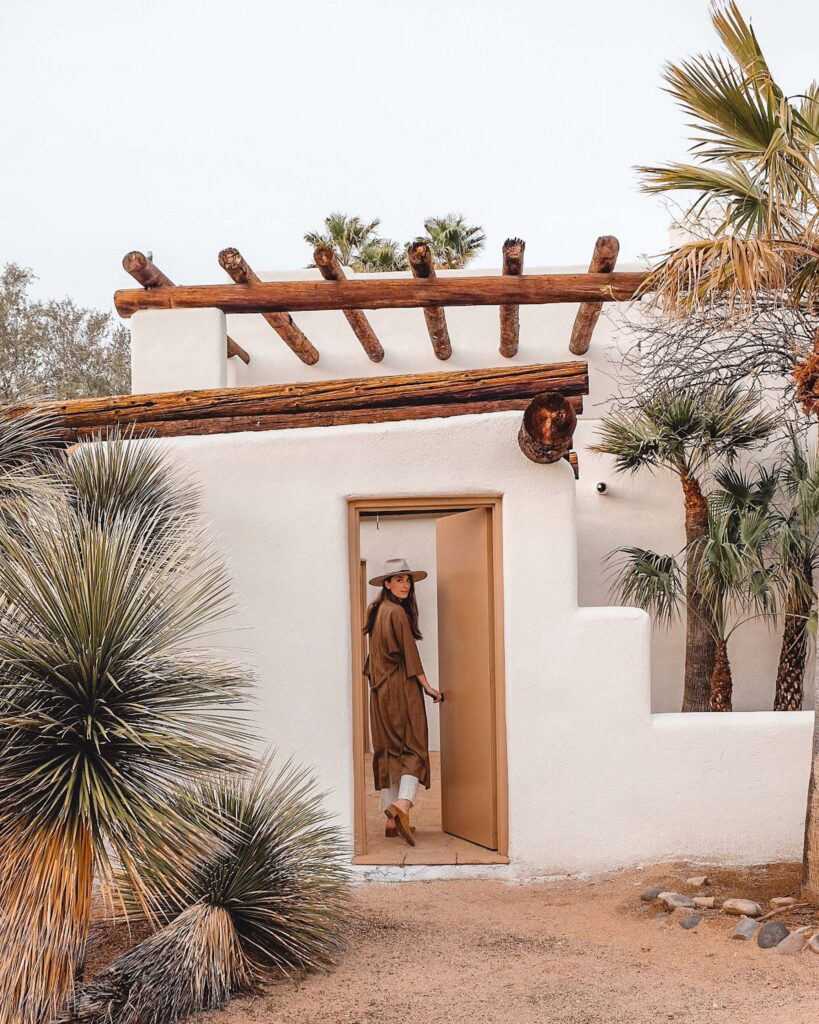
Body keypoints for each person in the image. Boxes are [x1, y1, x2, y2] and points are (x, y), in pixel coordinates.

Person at [363, 557, 443, 846]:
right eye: (398, 579)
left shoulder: (376, 612)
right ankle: (404, 804)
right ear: (387, 583)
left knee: (390, 751)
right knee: (415, 747)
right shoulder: (397, 613)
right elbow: (412, 659)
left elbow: (371, 661)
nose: (405, 584)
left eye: (407, 580)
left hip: (380, 692)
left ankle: (390, 821)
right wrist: (429, 688)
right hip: (401, 689)